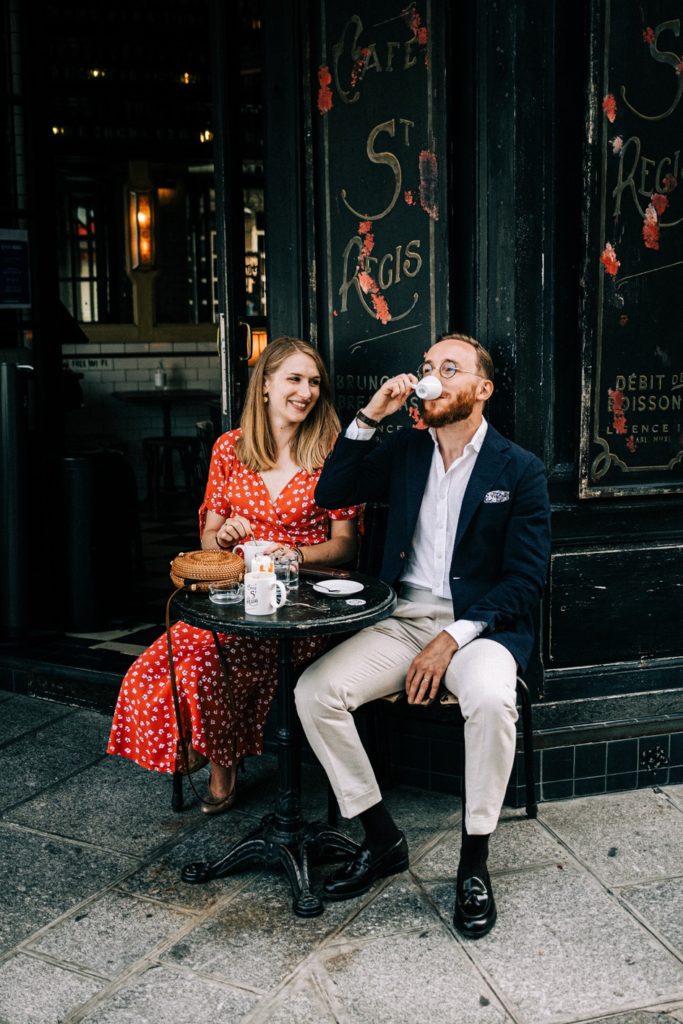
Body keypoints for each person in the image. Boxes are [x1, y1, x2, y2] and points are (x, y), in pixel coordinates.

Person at [295, 332, 551, 938]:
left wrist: (454, 637)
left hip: (480, 626)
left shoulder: (520, 469)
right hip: (403, 618)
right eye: (428, 365)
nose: (431, 375)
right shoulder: (407, 450)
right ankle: (381, 837)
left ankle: (474, 862)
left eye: (449, 367)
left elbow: (525, 579)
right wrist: (368, 417)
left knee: (492, 698)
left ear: (481, 389)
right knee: (315, 693)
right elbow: (331, 493)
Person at [107, 337, 359, 812]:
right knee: (150, 669)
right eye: (294, 379)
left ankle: (221, 766)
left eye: (313, 383)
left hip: (302, 606)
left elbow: (347, 544)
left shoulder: (331, 449)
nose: (306, 392)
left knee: (206, 666)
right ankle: (188, 751)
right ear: (265, 385)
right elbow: (209, 538)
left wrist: (296, 555)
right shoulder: (231, 448)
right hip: (237, 598)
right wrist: (223, 540)